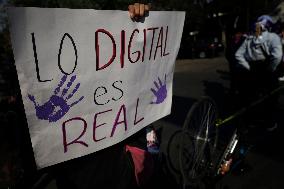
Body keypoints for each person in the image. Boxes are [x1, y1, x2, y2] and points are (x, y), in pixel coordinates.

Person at [235, 15, 282, 131]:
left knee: (251, 96)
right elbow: (277, 56)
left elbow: (238, 55)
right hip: (267, 69)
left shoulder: (249, 39)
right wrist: (271, 68)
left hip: (253, 69)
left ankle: (251, 122)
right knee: (271, 96)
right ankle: (269, 123)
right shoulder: (273, 37)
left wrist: (248, 67)